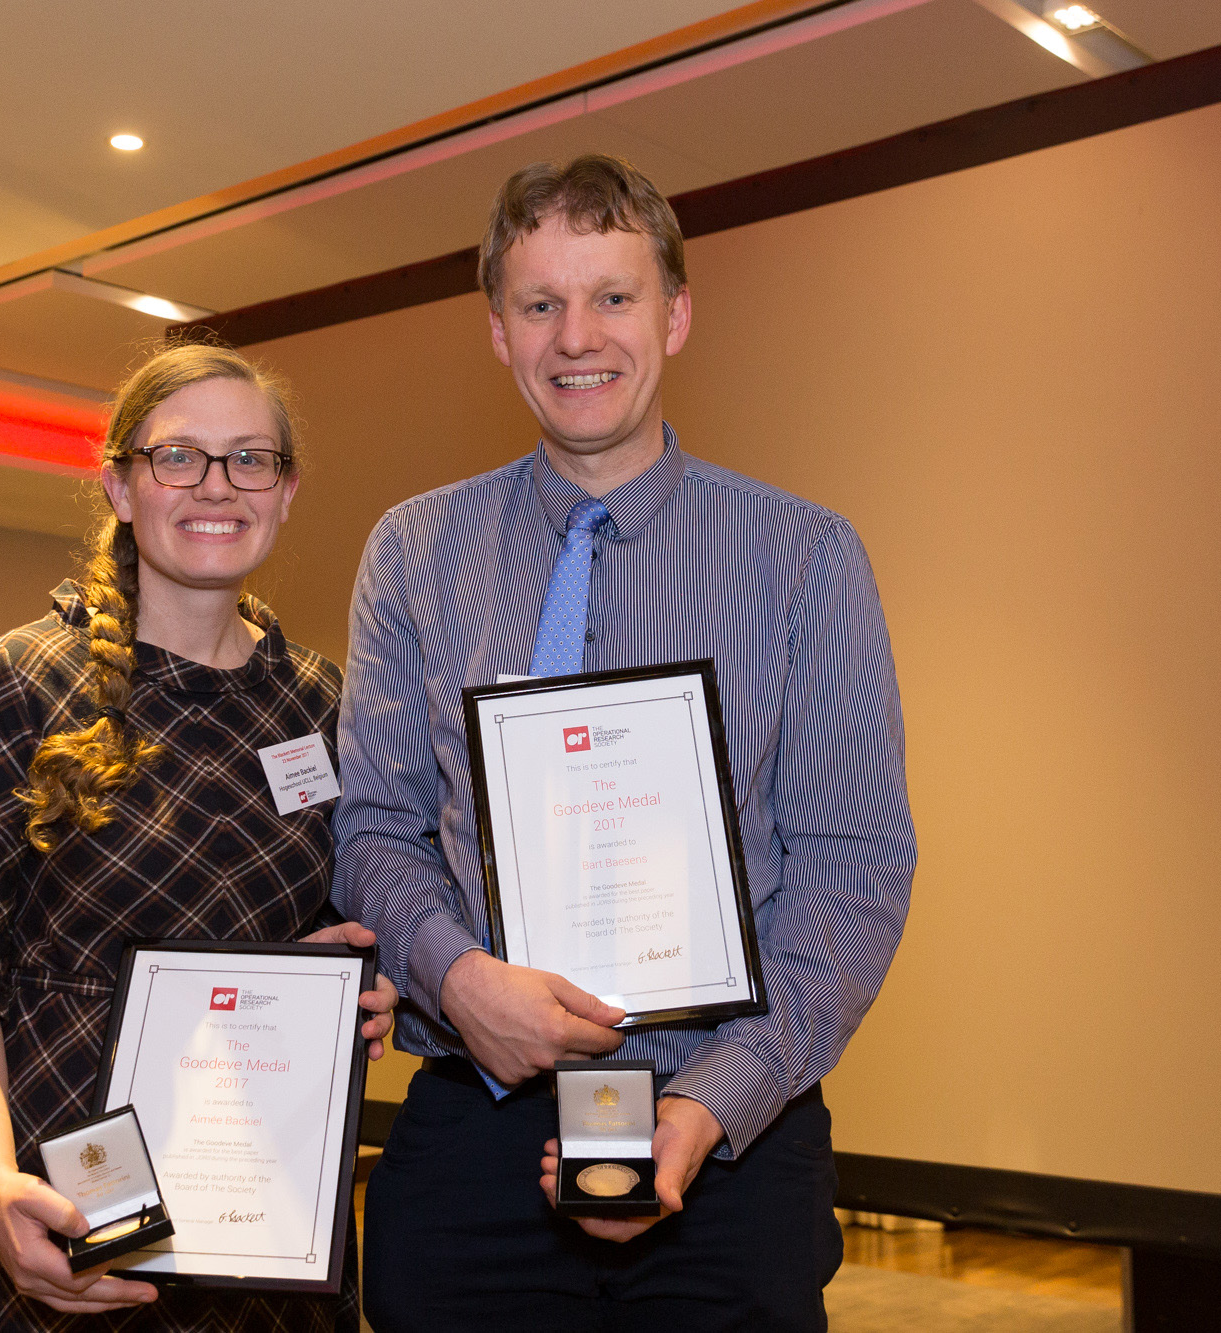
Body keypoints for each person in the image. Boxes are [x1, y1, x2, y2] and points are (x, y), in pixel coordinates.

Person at [335, 154, 917, 1331]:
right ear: (497, 331)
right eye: (539, 303)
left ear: (676, 314)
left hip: (730, 1140)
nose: (574, 336)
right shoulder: (412, 552)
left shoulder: (804, 560)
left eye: (612, 295)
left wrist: (706, 1106)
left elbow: (854, 870)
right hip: (470, 1130)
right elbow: (372, 827)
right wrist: (461, 978)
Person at [0, 342, 395, 1332]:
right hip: (51, 1184)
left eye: (249, 458)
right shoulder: (20, 680)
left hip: (256, 1202)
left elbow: (317, 933)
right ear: (122, 483)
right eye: (179, 457)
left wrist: (341, 992)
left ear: (286, 491)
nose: (216, 485)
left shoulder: (324, 705)